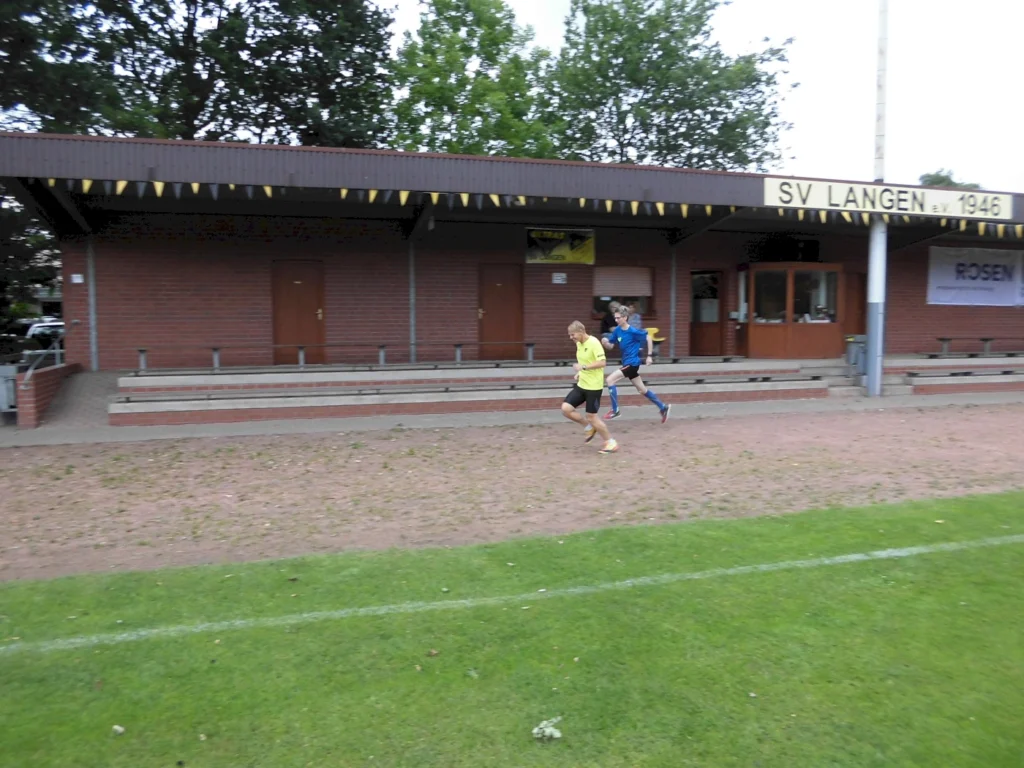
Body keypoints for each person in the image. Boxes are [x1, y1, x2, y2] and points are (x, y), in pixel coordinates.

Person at [601, 307, 670, 422]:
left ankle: (615, 410)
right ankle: (663, 407)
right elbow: (610, 346)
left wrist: (649, 356)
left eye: (618, 318)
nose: (616, 320)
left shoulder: (633, 331)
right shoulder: (617, 330)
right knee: (642, 390)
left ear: (625, 318)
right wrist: (605, 343)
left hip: (632, 364)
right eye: (615, 318)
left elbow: (648, 337)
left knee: (609, 380)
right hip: (628, 364)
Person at [561, 320, 619, 454]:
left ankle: (611, 442)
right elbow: (585, 361)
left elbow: (602, 362)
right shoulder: (579, 344)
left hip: (594, 386)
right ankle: (588, 428)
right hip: (582, 384)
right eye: (570, 335)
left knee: (592, 416)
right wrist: (580, 373)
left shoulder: (594, 343)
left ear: (581, 332)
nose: (571, 338)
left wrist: (583, 367)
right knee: (566, 409)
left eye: (573, 334)